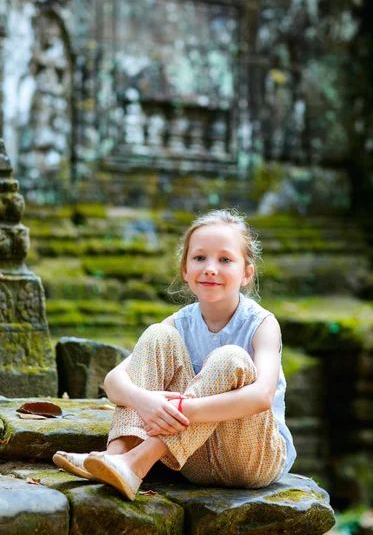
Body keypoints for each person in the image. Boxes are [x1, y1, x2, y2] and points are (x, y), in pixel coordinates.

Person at [53, 209, 296, 500]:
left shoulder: (262, 324)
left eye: (225, 260)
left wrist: (184, 410)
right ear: (184, 269)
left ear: (246, 273)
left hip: (252, 458)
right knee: (157, 334)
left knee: (229, 358)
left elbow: (261, 397)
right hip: (194, 459)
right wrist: (146, 401)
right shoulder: (179, 323)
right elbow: (114, 381)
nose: (210, 268)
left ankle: (137, 463)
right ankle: (114, 456)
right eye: (199, 258)